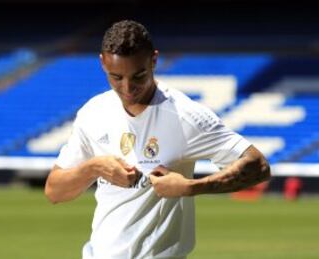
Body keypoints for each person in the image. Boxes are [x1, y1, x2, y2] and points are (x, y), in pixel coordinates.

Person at [44, 19, 271, 259]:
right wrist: (94, 167)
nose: (127, 87)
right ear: (102, 62)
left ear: (154, 60)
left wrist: (190, 187)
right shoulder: (94, 112)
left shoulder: (185, 116)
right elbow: (54, 191)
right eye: (116, 77)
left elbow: (259, 166)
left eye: (138, 76)